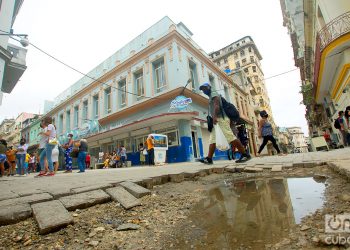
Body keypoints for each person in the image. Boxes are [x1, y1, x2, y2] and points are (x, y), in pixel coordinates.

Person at [198, 82, 251, 164]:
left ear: (209, 87)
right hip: (218, 119)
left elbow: (217, 106)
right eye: (202, 89)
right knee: (212, 139)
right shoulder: (211, 95)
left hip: (221, 119)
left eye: (205, 88)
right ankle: (209, 158)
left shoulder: (213, 93)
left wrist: (214, 117)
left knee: (230, 137)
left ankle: (245, 154)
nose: (204, 90)